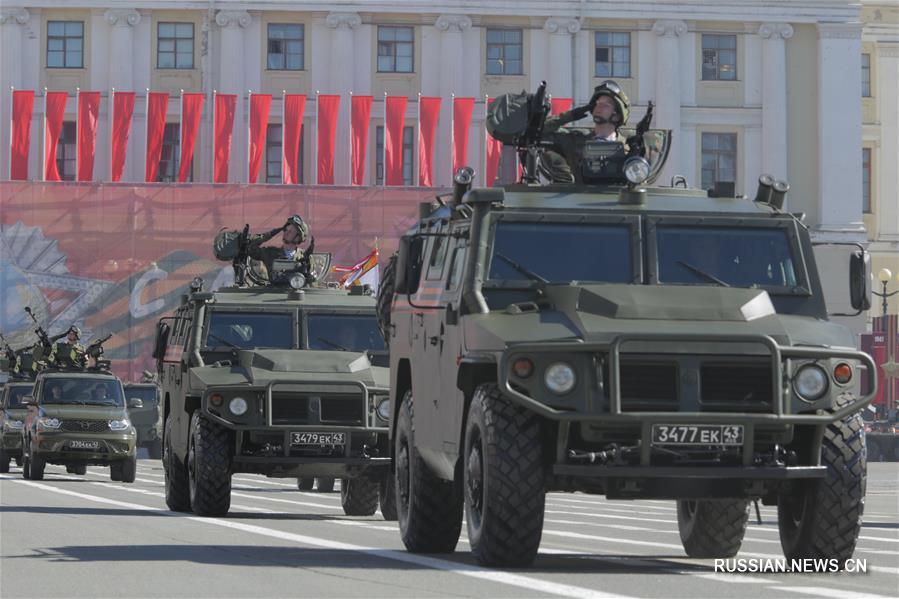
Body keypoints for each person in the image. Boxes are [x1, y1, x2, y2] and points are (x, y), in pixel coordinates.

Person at [248, 215, 312, 281]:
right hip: (274, 290)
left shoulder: (305, 256)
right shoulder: (270, 253)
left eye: (291, 231)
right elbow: (251, 249)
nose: (286, 232)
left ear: (298, 237)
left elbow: (312, 283)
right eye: (286, 230)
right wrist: (270, 234)